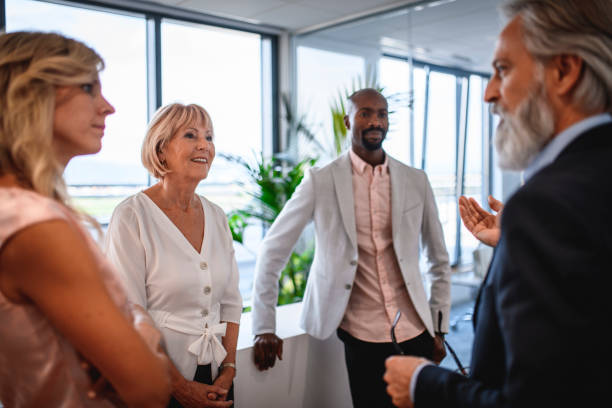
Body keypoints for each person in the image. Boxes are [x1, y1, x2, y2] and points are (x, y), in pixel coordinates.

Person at [384, 1, 612, 407]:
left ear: (563, 71)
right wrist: (514, 244)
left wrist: (424, 384)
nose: (489, 92)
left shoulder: (546, 206)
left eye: (503, 70)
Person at [0, 31, 171, 407]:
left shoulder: (13, 210)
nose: (107, 107)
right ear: (31, 95)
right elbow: (151, 390)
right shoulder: (35, 226)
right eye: (89, 88)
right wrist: (144, 332)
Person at [251, 88, 451, 407]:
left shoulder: (416, 180)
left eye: (381, 114)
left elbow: (438, 259)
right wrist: (264, 326)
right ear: (348, 120)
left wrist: (439, 328)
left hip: (416, 330)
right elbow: (272, 250)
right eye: (365, 114)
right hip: (360, 334)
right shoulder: (320, 180)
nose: (375, 121)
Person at [104, 103, 242, 408]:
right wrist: (179, 387)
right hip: (158, 381)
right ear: (161, 148)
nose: (205, 145)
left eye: (209, 136)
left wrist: (229, 369)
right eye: (191, 135)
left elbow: (231, 301)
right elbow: (128, 312)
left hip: (217, 378)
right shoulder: (131, 216)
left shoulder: (217, 216)